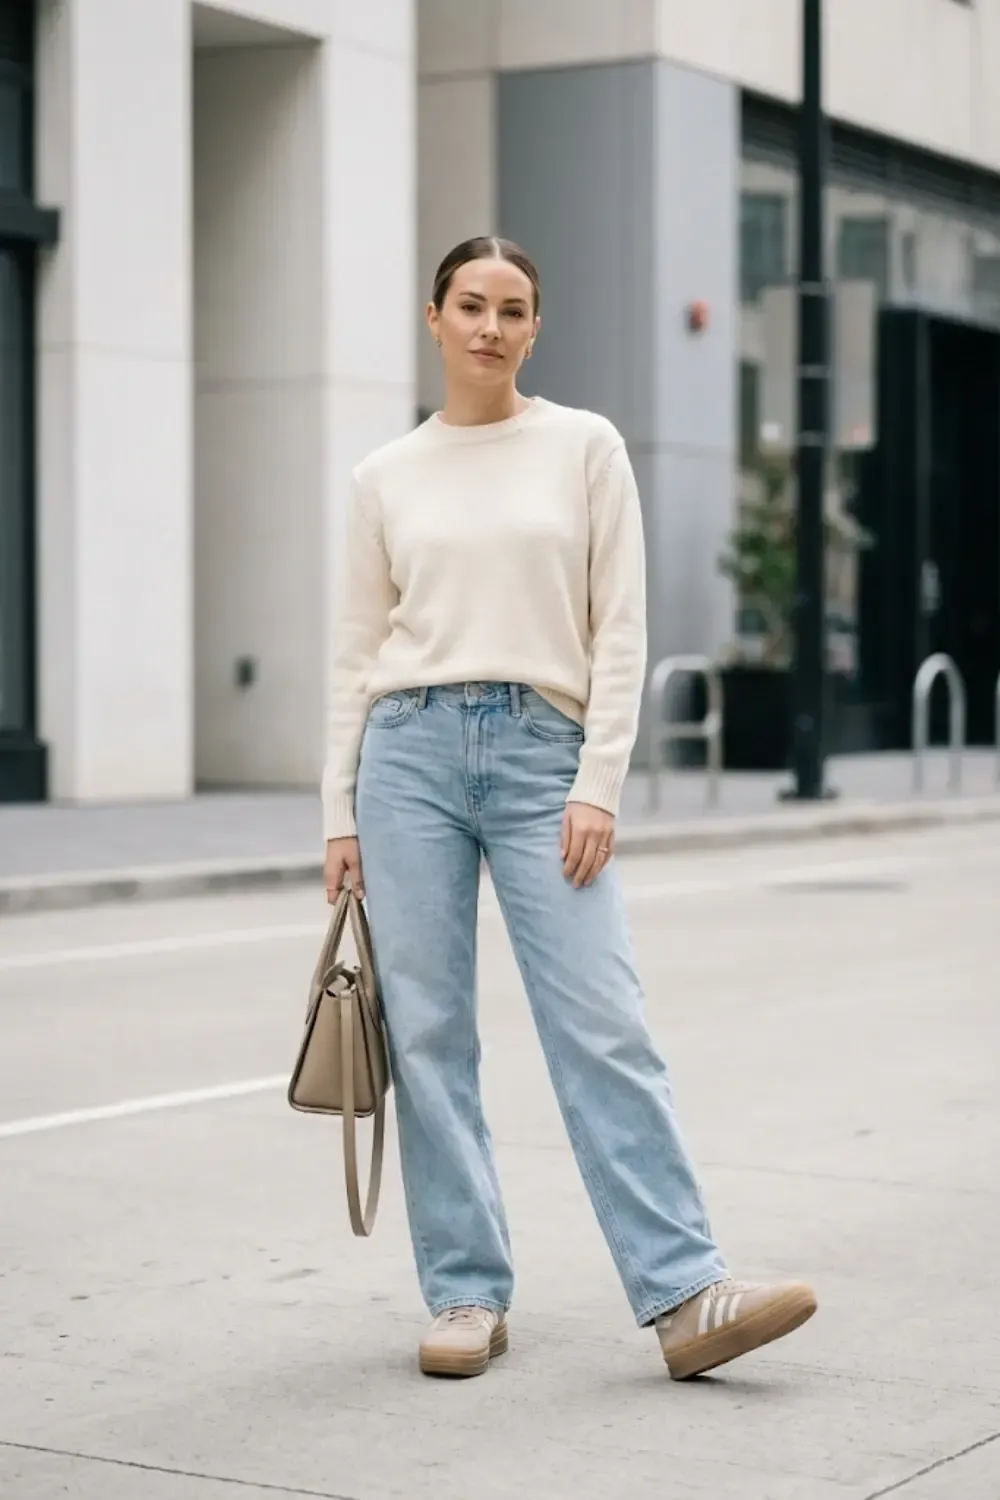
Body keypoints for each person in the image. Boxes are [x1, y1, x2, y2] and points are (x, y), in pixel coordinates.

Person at [322, 236, 817, 1381]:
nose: (489, 327)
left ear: (534, 329)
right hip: (405, 757)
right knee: (432, 1035)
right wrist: (337, 817)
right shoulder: (383, 476)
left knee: (602, 1020)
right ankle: (463, 1293)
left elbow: (620, 627)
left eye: (512, 310)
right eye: (470, 306)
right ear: (433, 317)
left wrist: (599, 781)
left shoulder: (584, 447)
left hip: (545, 754)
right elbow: (353, 657)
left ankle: (686, 1292)